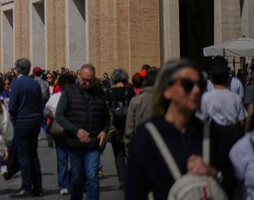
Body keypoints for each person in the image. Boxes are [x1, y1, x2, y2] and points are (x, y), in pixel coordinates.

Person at [125, 58, 236, 198]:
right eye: (188, 85)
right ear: (167, 90)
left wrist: (213, 173)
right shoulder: (147, 137)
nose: (196, 91)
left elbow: (231, 181)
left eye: (200, 84)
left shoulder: (212, 134)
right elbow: (134, 192)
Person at [54, 64, 108, 200]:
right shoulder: (69, 92)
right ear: (79, 76)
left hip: (93, 143)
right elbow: (59, 115)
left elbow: (106, 117)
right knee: (77, 178)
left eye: (90, 80)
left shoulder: (99, 93)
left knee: (92, 176)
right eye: (85, 80)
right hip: (74, 143)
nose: (87, 83)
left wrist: (104, 131)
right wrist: (76, 131)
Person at [8, 58, 44, 197]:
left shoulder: (16, 83)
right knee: (33, 153)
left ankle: (26, 186)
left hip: (22, 121)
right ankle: (38, 186)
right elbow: (40, 103)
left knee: (23, 155)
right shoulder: (35, 83)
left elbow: (12, 106)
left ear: (18, 69)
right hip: (35, 121)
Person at [44, 71, 75, 195]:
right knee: (63, 159)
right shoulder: (55, 97)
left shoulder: (75, 97)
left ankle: (68, 182)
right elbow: (45, 111)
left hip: (73, 132)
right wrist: (55, 116)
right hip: (62, 132)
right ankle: (64, 185)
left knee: (73, 160)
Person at [200, 60, 246, 143]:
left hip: (214, 137)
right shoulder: (236, 97)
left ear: (211, 79)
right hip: (233, 136)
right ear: (227, 78)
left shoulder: (206, 97)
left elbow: (201, 119)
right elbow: (242, 121)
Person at [105, 69, 134, 190]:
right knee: (130, 154)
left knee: (119, 156)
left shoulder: (108, 92)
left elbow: (106, 109)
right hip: (128, 126)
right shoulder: (129, 91)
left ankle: (123, 181)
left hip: (114, 127)